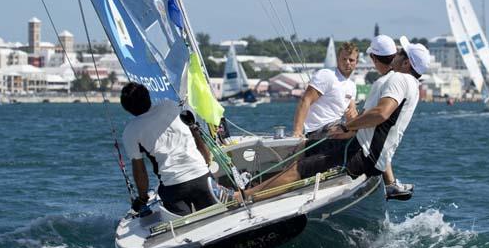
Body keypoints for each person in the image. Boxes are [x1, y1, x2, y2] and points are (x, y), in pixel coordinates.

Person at [243, 35, 430, 202]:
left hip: (360, 154)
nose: (395, 55)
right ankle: (255, 189)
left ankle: (241, 196)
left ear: (406, 63)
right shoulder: (413, 85)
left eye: (400, 53)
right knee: (305, 151)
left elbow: (381, 113)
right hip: (368, 154)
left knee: (298, 168)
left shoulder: (399, 79)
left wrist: (346, 127)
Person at [120, 82, 228, 215]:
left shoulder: (130, 131)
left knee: (184, 225)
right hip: (202, 177)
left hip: (173, 188)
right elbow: (195, 133)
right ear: (148, 96)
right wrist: (206, 161)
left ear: (127, 108)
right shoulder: (171, 105)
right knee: (216, 216)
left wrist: (142, 198)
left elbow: (140, 170)